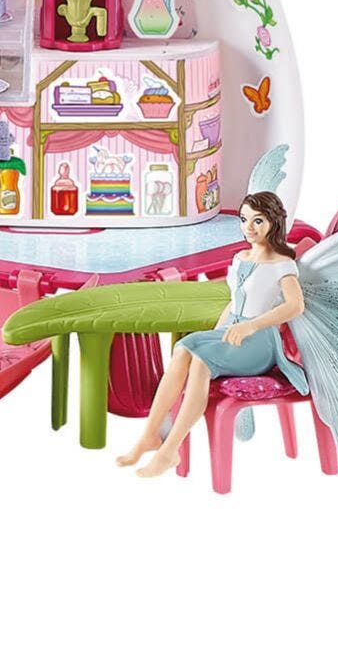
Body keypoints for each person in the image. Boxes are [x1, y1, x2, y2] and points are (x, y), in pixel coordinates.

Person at [116, 190, 306, 477]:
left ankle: (170, 450)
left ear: (273, 222)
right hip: (232, 330)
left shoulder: (282, 263)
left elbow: (295, 306)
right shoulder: (241, 257)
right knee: (184, 348)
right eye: (244, 219)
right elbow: (234, 302)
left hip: (260, 342)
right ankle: (150, 435)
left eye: (258, 221)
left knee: (202, 362)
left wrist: (251, 325)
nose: (249, 227)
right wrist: (219, 333)